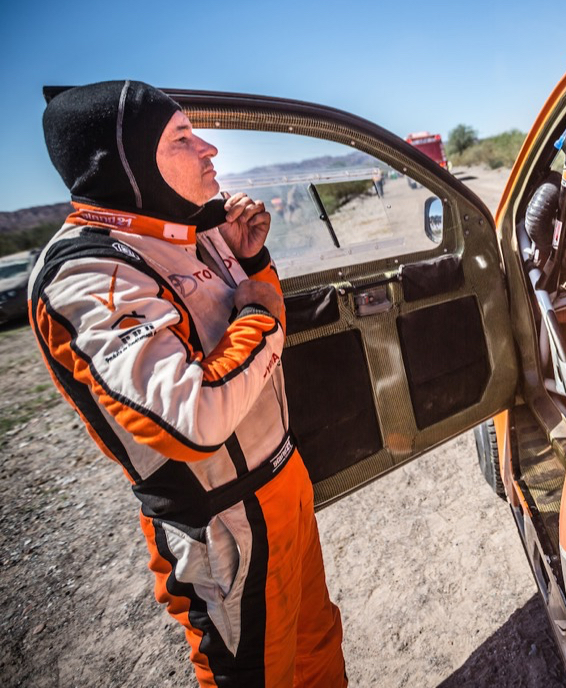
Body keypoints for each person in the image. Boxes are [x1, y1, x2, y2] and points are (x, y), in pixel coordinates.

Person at [28, 80, 346, 687]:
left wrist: (251, 260)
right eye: (181, 138)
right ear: (129, 161)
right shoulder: (88, 271)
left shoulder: (187, 228)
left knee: (318, 645)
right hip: (225, 524)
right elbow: (193, 417)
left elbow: (252, 310)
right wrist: (260, 316)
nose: (209, 150)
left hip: (282, 484)